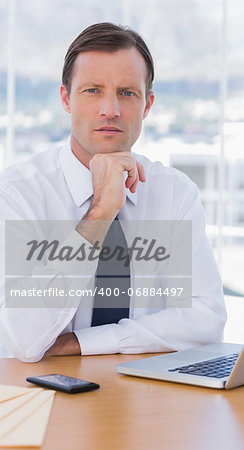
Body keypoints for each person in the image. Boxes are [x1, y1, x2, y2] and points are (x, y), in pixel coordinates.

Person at [0, 23, 226, 362]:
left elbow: (206, 321)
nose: (110, 110)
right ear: (66, 98)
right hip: (42, 393)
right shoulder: (18, 195)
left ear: (147, 105)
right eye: (92, 90)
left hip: (145, 393)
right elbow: (22, 337)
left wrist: (80, 342)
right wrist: (101, 211)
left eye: (127, 93)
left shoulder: (175, 193)